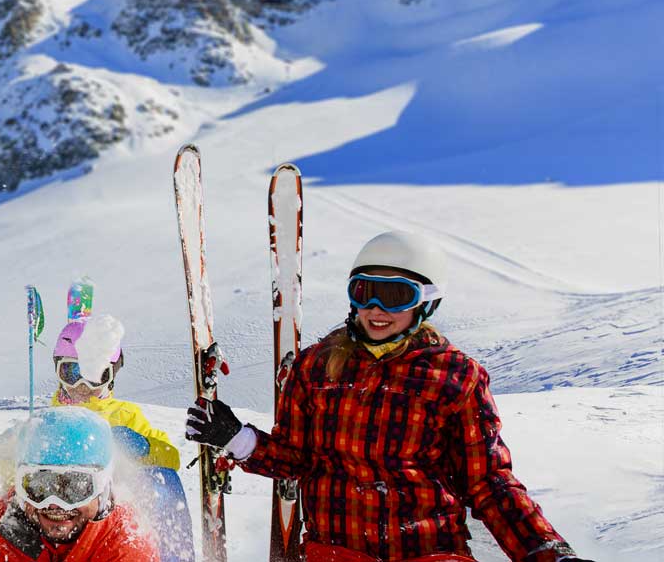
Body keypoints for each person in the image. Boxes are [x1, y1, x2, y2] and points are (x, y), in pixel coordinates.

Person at [185, 231, 592, 562]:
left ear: (426, 302)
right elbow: (298, 459)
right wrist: (237, 437)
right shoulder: (315, 368)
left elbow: (488, 483)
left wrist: (546, 551)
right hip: (338, 553)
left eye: (396, 295)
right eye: (365, 292)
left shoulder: (454, 376)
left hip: (429, 552)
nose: (376, 309)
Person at [0, 407, 159, 562]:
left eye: (75, 487)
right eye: (39, 486)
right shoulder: (0, 520)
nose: (55, 503)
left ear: (103, 488)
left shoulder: (126, 543)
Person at [50, 315, 194, 562]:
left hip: (115, 510)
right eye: (72, 372)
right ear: (58, 372)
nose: (82, 385)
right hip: (62, 512)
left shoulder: (125, 415)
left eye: (94, 375)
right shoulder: (51, 420)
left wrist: (143, 447)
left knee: (163, 481)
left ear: (111, 375)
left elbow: (171, 458)